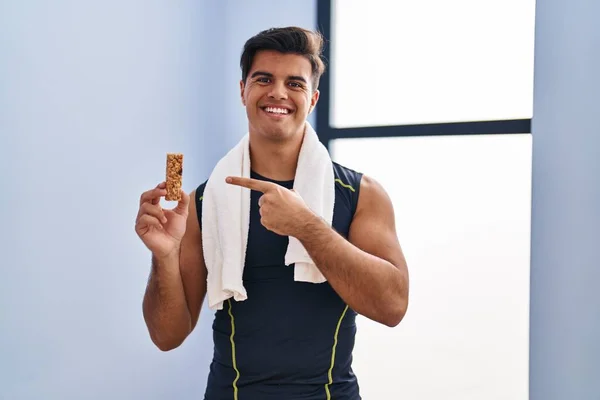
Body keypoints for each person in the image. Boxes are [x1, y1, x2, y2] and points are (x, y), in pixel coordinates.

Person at [135, 26, 409, 400]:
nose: (278, 92)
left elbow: (392, 307)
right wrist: (164, 256)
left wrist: (306, 227)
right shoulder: (205, 201)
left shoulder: (362, 195)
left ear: (312, 99)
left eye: (294, 83)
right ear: (243, 90)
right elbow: (167, 336)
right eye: (263, 79)